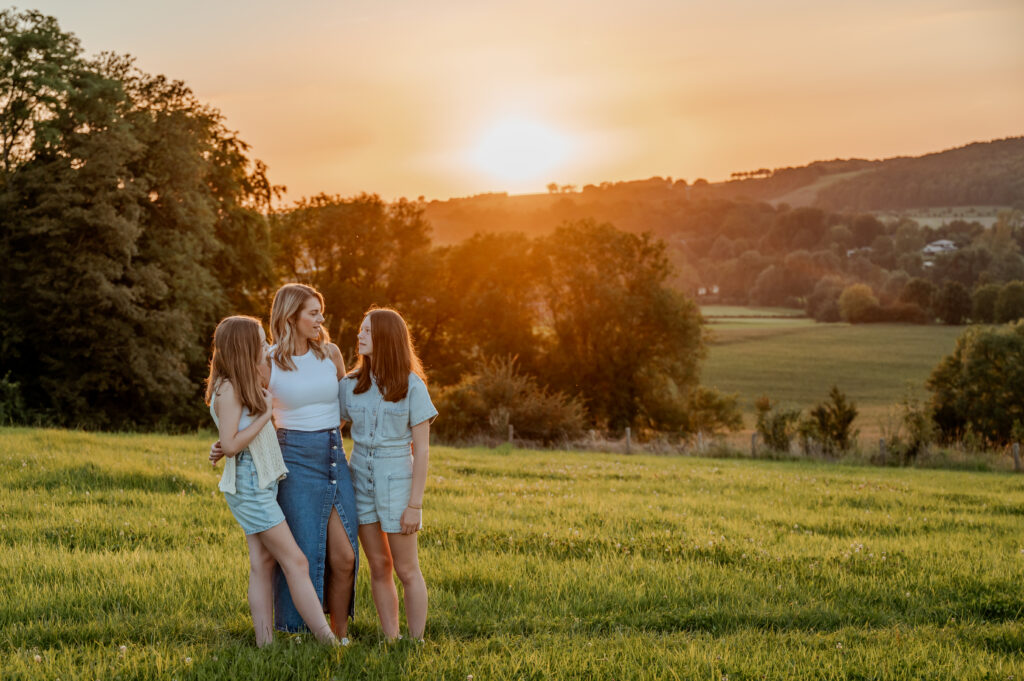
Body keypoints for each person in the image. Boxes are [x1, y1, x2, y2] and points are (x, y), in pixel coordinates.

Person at [210, 284, 358, 642]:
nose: (321, 319)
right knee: (300, 552)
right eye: (313, 312)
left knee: (345, 556)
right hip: (291, 456)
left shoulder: (332, 354)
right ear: (290, 316)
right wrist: (224, 443)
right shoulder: (268, 361)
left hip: (333, 452)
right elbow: (247, 408)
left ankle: (339, 632)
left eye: (320, 312)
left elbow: (344, 407)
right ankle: (303, 633)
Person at [339, 307, 437, 641]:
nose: (359, 335)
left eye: (367, 330)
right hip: (359, 478)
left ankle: (415, 641)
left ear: (386, 338)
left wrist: (415, 504)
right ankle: (391, 638)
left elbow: (422, 450)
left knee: (408, 570)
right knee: (379, 565)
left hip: (397, 480)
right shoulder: (350, 385)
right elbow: (327, 426)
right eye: (360, 329)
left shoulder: (413, 386)